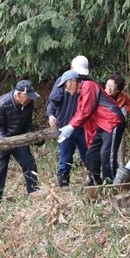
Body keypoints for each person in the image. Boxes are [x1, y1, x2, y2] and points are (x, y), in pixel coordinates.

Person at [57, 70, 126, 185]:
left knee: (106, 156)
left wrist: (72, 126)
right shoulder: (81, 94)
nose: (66, 89)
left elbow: (86, 111)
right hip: (102, 126)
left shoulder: (88, 86)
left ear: (73, 81)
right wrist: (69, 127)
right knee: (90, 156)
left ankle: (111, 187)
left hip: (112, 122)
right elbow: (80, 113)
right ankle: (96, 183)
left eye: (66, 85)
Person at [0, 80, 40, 206]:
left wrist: (32, 136)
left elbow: (28, 124)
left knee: (29, 163)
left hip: (18, 138)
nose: (30, 100)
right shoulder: (0, 104)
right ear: (18, 94)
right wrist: (6, 143)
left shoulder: (28, 104)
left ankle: (34, 193)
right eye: (28, 97)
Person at [46, 55, 91, 187]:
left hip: (84, 127)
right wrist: (50, 114)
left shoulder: (89, 83)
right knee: (65, 157)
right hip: (65, 126)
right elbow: (53, 101)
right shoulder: (63, 81)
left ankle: (93, 178)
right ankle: (64, 182)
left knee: (88, 155)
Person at [104, 73, 130, 166]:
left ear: (118, 90)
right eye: (107, 85)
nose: (108, 88)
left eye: (112, 87)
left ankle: (119, 165)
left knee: (117, 148)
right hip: (104, 127)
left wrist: (125, 108)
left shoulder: (123, 96)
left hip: (118, 125)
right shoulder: (102, 95)